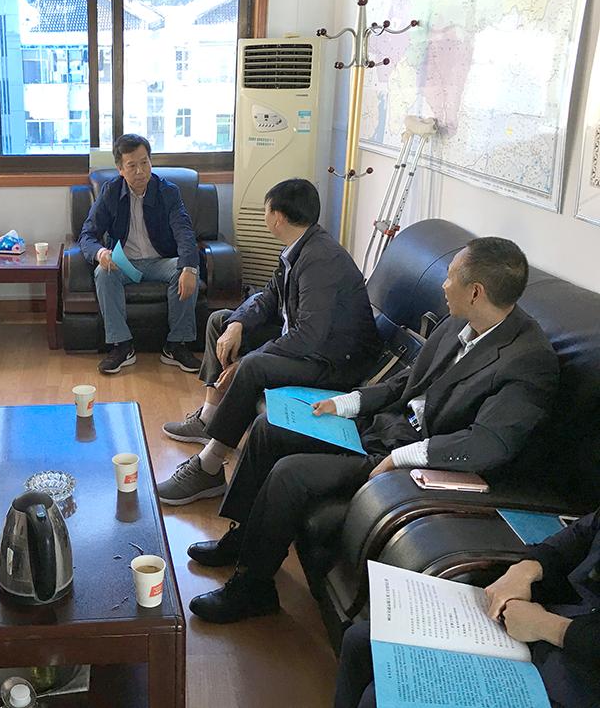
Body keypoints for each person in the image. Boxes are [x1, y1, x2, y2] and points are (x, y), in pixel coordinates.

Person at [185, 237, 560, 623]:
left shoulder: (528, 361)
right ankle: (243, 538)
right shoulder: (460, 322)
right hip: (383, 427)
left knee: (290, 473)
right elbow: (409, 381)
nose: (444, 285)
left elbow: (488, 443)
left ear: (476, 292)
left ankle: (253, 588)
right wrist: (348, 402)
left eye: (450, 278)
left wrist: (400, 457)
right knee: (269, 428)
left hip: (416, 460)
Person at [157, 178, 380, 505]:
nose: (264, 216)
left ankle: (209, 466)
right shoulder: (298, 249)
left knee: (253, 366)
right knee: (220, 321)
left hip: (333, 362)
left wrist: (249, 359)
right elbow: (267, 297)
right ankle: (209, 417)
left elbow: (309, 336)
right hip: (308, 345)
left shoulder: (321, 260)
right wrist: (236, 323)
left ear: (277, 217)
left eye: (266, 210)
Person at [334, 509, 600, 708]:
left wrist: (551, 628)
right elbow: (583, 531)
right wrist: (527, 568)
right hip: (559, 621)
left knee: (379, 699)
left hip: (580, 669)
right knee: (361, 640)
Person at [78, 134, 201, 375]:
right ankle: (122, 346)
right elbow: (87, 234)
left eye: (144, 162)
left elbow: (185, 232)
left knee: (186, 269)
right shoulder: (111, 192)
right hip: (125, 264)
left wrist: (189, 267)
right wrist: (100, 252)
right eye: (132, 165)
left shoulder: (168, 192)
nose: (140, 171)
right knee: (103, 272)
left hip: (161, 261)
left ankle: (176, 345)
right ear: (120, 169)